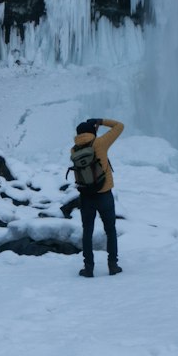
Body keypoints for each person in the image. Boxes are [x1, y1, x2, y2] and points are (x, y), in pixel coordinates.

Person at [66, 117, 124, 277]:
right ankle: (113, 265)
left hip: (86, 196)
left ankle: (88, 268)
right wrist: (101, 121)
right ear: (93, 132)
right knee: (110, 231)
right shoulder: (99, 143)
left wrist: (91, 132)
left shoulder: (74, 150)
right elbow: (119, 126)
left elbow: (86, 141)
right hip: (104, 194)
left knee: (87, 231)